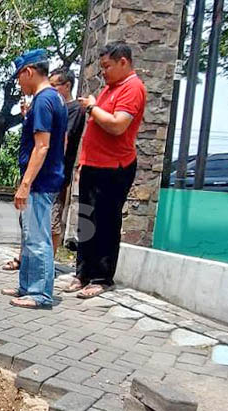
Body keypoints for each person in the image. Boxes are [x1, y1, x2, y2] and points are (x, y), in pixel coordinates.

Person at [62, 41, 147, 299]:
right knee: (86, 221)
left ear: (124, 62)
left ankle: (101, 277)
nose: (103, 72)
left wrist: (92, 107)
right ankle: (83, 273)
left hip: (114, 167)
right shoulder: (110, 88)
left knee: (106, 222)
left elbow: (117, 125)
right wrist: (83, 162)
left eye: (107, 66)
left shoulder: (132, 88)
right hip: (93, 165)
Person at [0, 49, 68, 309]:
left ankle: (40, 293)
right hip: (46, 178)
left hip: (40, 182)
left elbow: (42, 146)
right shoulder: (55, 98)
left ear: (28, 72)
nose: (19, 84)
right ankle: (27, 286)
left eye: (19, 77)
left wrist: (25, 184)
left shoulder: (43, 101)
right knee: (30, 235)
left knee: (38, 237)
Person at [49, 68, 87, 255]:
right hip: (44, 172)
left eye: (54, 86)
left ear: (67, 86)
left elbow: (64, 139)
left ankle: (48, 261)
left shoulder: (75, 109)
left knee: (52, 219)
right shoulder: (55, 108)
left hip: (58, 173)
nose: (51, 90)